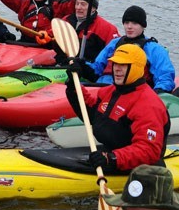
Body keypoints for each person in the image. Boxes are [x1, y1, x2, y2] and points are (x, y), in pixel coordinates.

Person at [67, 44, 170, 173]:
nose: (117, 69)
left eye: (123, 65)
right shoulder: (108, 92)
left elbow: (148, 150)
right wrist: (73, 86)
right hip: (111, 157)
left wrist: (112, 159)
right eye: (115, 64)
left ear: (137, 68)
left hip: (143, 170)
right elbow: (91, 114)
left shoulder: (149, 105)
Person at [79, 5, 175, 92]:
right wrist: (82, 66)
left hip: (132, 92)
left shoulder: (154, 49)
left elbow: (165, 77)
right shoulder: (114, 43)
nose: (129, 27)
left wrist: (158, 92)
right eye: (126, 22)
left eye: (134, 23)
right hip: (103, 88)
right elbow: (97, 68)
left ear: (143, 26)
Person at [53, 0, 120, 64]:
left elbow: (114, 53)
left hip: (88, 69)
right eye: (77, 4)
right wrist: (46, 37)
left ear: (93, 8)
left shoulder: (107, 28)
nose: (78, 7)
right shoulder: (66, 20)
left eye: (83, 4)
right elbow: (52, 36)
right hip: (63, 64)